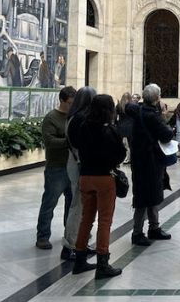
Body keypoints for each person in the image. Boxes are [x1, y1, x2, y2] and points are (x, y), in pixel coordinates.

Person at [68, 94, 126, 278]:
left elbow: (76, 145)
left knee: (86, 218)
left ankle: (79, 260)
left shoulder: (83, 126)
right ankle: (103, 263)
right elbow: (120, 155)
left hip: (86, 176)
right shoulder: (110, 130)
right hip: (104, 179)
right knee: (104, 221)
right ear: (109, 110)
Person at [126, 83, 175, 245]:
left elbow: (127, 107)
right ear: (157, 98)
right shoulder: (152, 116)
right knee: (145, 197)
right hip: (150, 160)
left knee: (149, 195)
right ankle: (137, 232)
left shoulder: (138, 110)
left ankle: (153, 228)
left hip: (139, 159)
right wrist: (162, 116)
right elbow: (167, 134)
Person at [35, 86, 75, 255]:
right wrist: (69, 141)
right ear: (62, 101)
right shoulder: (51, 118)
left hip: (72, 166)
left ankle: (69, 233)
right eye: (70, 103)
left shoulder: (73, 116)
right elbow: (50, 141)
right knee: (49, 202)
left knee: (72, 203)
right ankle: (42, 236)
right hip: (56, 167)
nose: (73, 106)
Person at [63, 86, 96, 259]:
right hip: (79, 166)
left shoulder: (75, 117)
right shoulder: (79, 119)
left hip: (76, 164)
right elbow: (81, 145)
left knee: (83, 206)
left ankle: (81, 242)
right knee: (78, 206)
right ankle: (71, 244)